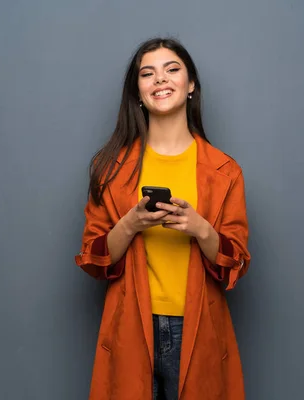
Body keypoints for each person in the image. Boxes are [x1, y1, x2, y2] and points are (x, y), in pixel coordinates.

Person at [75, 37, 251, 400]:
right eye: (147, 73)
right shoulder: (109, 168)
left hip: (199, 327)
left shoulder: (225, 171)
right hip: (130, 328)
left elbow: (237, 260)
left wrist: (201, 229)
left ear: (191, 86)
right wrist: (131, 223)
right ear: (137, 92)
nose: (160, 79)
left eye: (172, 70)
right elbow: (93, 258)